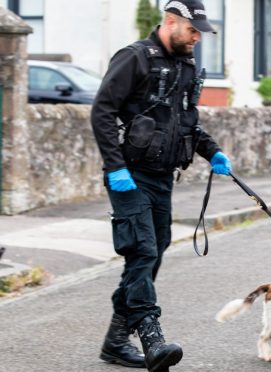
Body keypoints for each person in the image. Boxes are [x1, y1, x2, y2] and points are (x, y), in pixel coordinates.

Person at [90, 1, 231, 371]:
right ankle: (152, 339)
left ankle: (116, 342)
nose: (197, 38)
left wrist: (212, 151)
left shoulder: (185, 65)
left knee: (154, 252)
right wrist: (114, 167)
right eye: (192, 30)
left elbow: (186, 122)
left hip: (162, 176)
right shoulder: (134, 57)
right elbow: (102, 110)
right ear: (171, 22)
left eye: (200, 32)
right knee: (143, 251)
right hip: (129, 176)